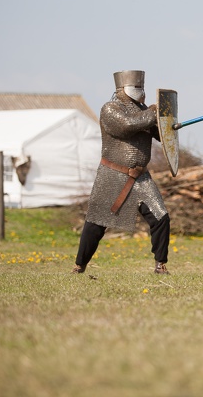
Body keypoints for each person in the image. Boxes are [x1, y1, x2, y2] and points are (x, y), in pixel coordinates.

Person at [73, 70, 172, 274]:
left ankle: (160, 265)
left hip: (140, 177)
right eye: (136, 87)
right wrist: (153, 113)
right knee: (96, 223)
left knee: (160, 217)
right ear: (122, 88)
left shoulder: (145, 111)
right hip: (113, 175)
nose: (141, 91)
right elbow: (128, 125)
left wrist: (168, 125)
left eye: (142, 87)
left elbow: (161, 135)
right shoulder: (110, 109)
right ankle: (79, 265)